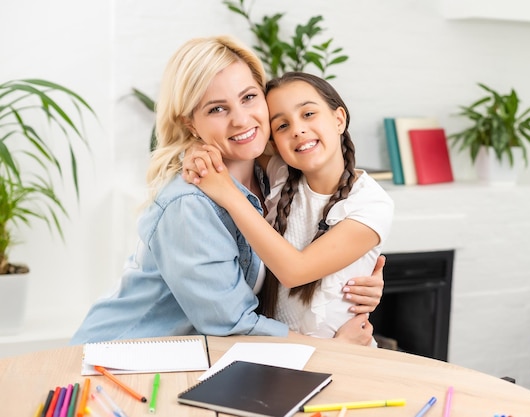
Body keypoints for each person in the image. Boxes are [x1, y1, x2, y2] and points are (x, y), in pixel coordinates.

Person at [70, 36, 383, 345]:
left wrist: (357, 280)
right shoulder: (189, 204)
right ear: (190, 123)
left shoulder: (274, 177)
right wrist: (333, 350)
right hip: (118, 359)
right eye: (217, 109)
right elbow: (232, 324)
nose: (241, 119)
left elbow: (307, 249)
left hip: (196, 360)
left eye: (248, 97)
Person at [185, 72, 394, 341]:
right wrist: (194, 150)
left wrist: (227, 192)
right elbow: (236, 138)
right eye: (281, 126)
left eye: (308, 114)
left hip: (343, 353)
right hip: (282, 352)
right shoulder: (281, 174)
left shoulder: (371, 204)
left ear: (339, 119)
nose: (297, 129)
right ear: (274, 142)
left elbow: (294, 271)